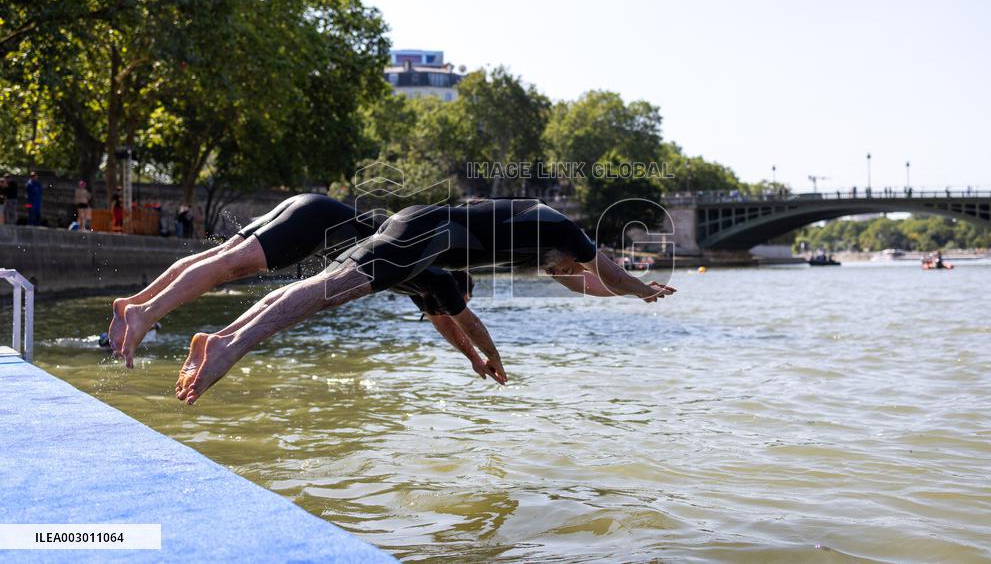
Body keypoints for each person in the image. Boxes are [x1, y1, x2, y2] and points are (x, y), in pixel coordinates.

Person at [174, 199, 676, 405]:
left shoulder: (540, 252)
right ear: (573, 253)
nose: (565, 275)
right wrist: (642, 289)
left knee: (323, 290)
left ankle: (220, 340)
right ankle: (227, 347)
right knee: (325, 293)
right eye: (569, 266)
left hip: (418, 231)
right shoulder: (564, 229)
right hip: (423, 234)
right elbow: (604, 270)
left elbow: (585, 282)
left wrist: (625, 294)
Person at [109, 194, 500, 383]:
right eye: (455, 303)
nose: (444, 311)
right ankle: (146, 314)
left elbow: (443, 323)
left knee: (222, 257)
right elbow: (461, 323)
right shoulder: (442, 279)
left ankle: (134, 304)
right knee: (228, 265)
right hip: (315, 228)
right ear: (459, 289)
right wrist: (484, 357)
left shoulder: (418, 274)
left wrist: (470, 360)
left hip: (312, 209)